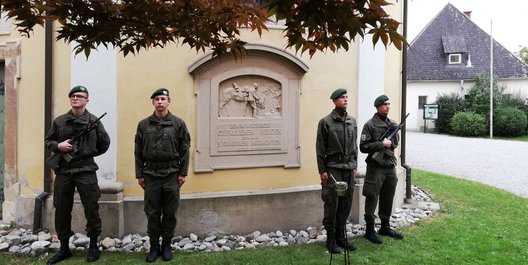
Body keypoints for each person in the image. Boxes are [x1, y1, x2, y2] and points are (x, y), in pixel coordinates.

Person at [44, 85, 111, 264]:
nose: (76, 98)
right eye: (73, 96)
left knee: (91, 207)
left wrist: (87, 152)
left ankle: (94, 246)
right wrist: (59, 146)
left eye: (80, 96)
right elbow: (48, 141)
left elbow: (104, 144)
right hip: (64, 171)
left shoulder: (94, 121)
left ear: (86, 100)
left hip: (86, 170)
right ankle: (64, 248)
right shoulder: (59, 122)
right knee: (62, 209)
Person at [134, 88, 190, 263]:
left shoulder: (178, 123)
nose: (160, 102)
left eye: (163, 99)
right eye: (157, 99)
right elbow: (137, 152)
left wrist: (182, 173)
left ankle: (166, 246)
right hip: (151, 174)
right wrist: (139, 174)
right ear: (153, 103)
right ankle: (153, 247)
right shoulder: (143, 125)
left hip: (171, 174)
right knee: (152, 212)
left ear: (169, 101)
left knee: (170, 211)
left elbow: (185, 150)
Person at [316, 88, 358, 254]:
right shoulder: (326, 122)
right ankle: (331, 239)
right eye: (342, 97)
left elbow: (354, 147)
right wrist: (322, 170)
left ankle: (341, 238)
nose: (345, 99)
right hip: (333, 169)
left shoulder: (352, 121)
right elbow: (320, 148)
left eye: (347, 97)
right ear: (334, 101)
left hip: (348, 169)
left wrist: (354, 166)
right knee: (332, 204)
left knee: (346, 204)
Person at [360, 94, 404, 244]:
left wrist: (392, 136)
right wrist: (381, 144)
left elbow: (395, 144)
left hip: (390, 165)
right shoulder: (370, 125)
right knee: (372, 197)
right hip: (375, 167)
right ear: (378, 106)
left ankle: (385, 226)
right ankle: (369, 230)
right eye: (384, 104)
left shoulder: (392, 123)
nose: (387, 106)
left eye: (389, 104)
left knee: (388, 196)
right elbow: (363, 147)